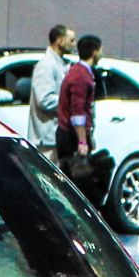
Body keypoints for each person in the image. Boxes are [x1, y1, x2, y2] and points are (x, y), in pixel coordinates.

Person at [56, 34, 102, 174]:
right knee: (77, 180)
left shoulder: (78, 71)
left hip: (69, 134)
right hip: (72, 137)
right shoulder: (81, 76)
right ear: (94, 52)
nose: (101, 53)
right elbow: (78, 111)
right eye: (100, 50)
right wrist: (82, 141)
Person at [26, 24, 72, 149]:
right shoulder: (46, 65)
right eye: (71, 40)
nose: (74, 44)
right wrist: (70, 102)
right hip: (46, 138)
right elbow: (45, 100)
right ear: (60, 41)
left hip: (55, 137)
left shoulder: (60, 64)